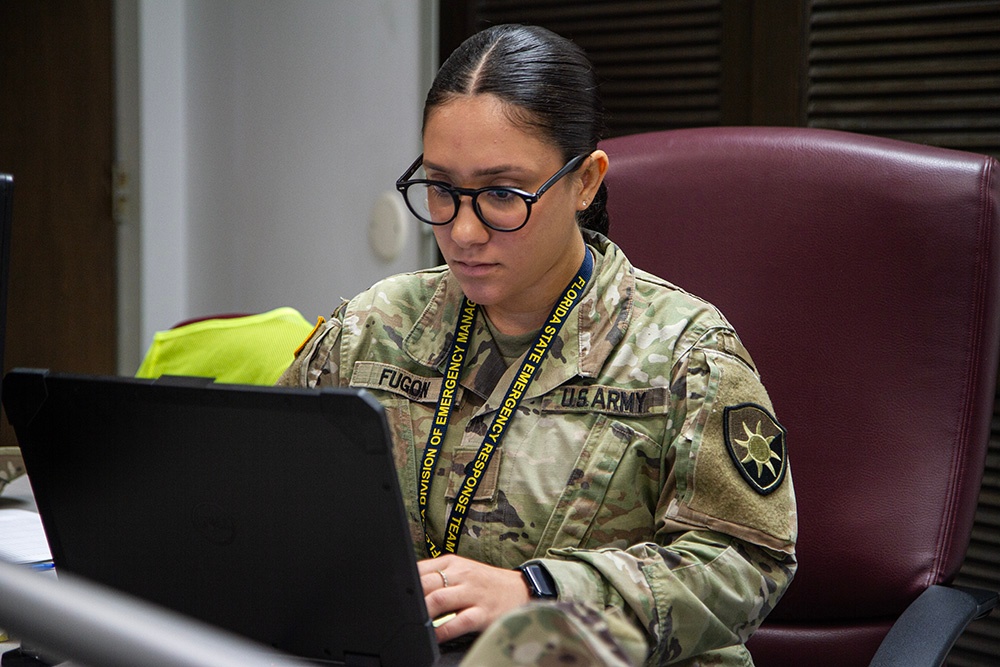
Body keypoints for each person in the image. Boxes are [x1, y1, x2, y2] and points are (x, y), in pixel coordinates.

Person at [278, 23, 796, 666]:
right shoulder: (368, 331)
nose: (463, 230)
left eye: (502, 194)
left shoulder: (686, 354)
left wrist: (542, 593)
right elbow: (268, 505)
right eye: (441, 188)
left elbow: (748, 564)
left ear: (584, 182)